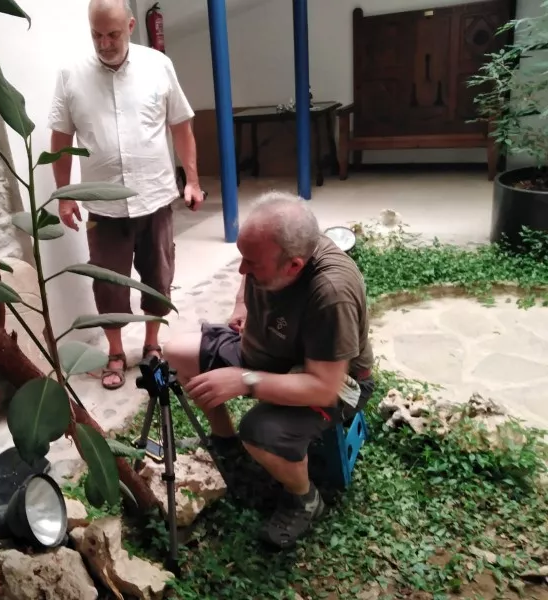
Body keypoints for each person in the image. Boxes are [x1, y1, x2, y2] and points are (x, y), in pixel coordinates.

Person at [164, 192, 375, 550]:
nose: (243, 270)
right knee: (177, 352)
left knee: (260, 431)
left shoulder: (330, 293)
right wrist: (240, 303)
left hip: (329, 380)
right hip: (266, 352)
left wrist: (245, 381)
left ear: (293, 266)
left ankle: (305, 498)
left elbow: (325, 387)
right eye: (241, 259)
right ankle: (225, 445)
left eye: (253, 264)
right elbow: (248, 273)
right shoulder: (279, 246)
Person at [48, 0, 204, 390]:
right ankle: (116, 352)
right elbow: (61, 139)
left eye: (113, 34)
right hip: (104, 206)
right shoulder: (70, 74)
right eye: (97, 35)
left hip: (154, 197)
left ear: (131, 26)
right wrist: (66, 196)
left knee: (158, 275)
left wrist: (193, 180)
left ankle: (152, 345)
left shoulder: (158, 65)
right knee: (109, 284)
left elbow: (181, 127)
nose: (105, 43)